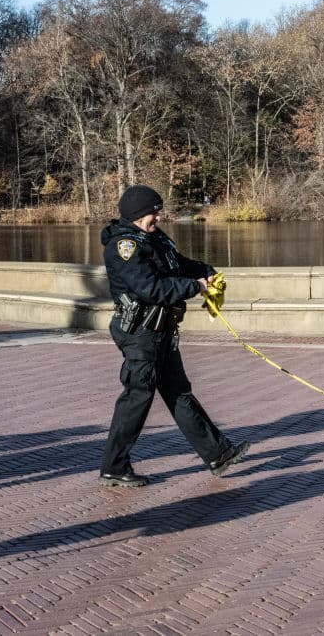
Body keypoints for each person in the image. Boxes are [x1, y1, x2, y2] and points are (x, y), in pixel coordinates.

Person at [98, 184, 250, 487]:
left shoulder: (155, 239)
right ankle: (114, 467)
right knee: (136, 398)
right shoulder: (124, 246)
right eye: (154, 211)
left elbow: (178, 264)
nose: (159, 216)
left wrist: (205, 270)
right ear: (139, 213)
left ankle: (218, 454)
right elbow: (150, 288)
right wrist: (195, 287)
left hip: (163, 330)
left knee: (179, 392)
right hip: (140, 333)